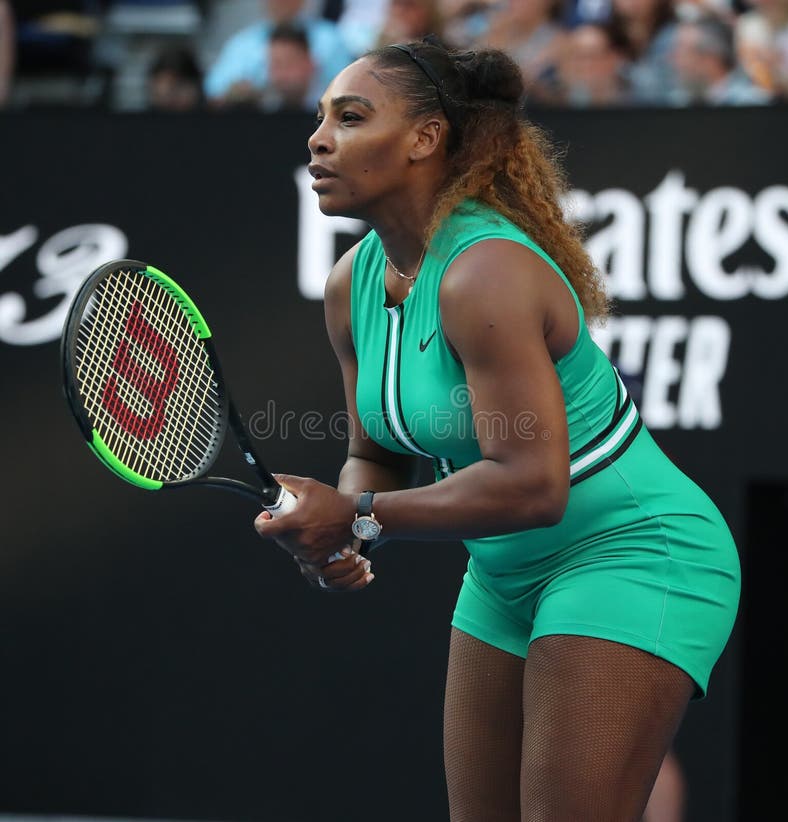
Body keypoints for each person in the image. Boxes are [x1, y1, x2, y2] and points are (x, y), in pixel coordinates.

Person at [253, 36, 741, 821]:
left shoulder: (487, 270)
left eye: (349, 116)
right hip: (503, 578)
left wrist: (355, 513)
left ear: (424, 138)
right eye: (320, 117)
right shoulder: (353, 284)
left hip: (636, 555)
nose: (318, 137)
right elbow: (371, 454)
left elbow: (532, 485)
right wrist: (350, 533)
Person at [203, 0, 353, 108]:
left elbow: (349, 91)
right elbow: (214, 92)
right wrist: (238, 94)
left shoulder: (330, 38)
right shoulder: (242, 42)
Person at [670, 13, 773, 104]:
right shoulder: (678, 101)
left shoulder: (752, 104)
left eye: (682, 53)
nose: (672, 59)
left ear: (709, 60)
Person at [147, 46, 205, 111]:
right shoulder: (143, 118)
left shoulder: (210, 117)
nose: (171, 98)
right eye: (168, 92)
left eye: (179, 86)